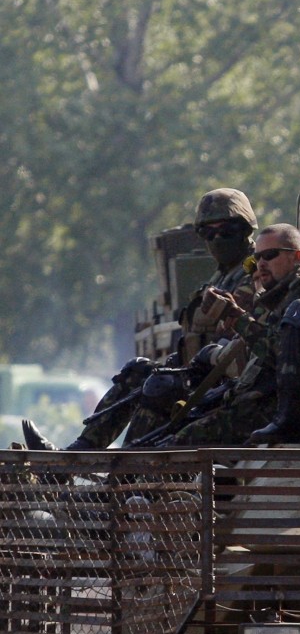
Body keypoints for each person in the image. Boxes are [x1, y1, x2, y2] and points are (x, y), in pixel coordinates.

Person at [22, 187, 260, 452]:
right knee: (137, 372)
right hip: (200, 377)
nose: (216, 240)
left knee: (160, 386)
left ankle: (123, 471)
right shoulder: (222, 276)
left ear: (244, 230)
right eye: (208, 232)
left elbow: (241, 345)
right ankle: (80, 452)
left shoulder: (255, 276)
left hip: (226, 385)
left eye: (225, 231)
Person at [165, 223, 300, 446]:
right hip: (259, 402)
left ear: (297, 257)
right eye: (256, 258)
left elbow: (284, 355)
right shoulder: (282, 296)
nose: (261, 264)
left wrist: (237, 318)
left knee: (180, 444)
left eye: (270, 256)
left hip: (283, 411)